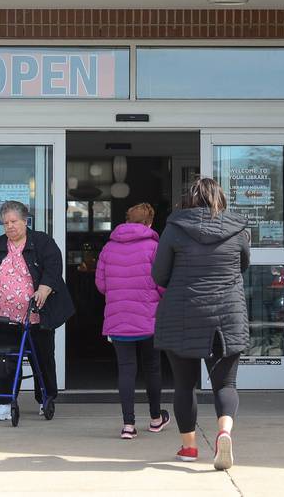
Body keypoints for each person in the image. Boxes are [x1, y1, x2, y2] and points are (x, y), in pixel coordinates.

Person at [152, 178, 250, 470]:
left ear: (189, 200)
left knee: (184, 385)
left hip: (183, 311)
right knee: (226, 383)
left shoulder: (175, 228)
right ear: (220, 198)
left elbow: (158, 275)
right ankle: (224, 431)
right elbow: (243, 265)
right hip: (227, 313)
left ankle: (190, 447)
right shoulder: (238, 229)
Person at [0, 200, 74, 422]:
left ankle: (46, 399)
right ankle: (5, 403)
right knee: (5, 361)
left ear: (25, 221)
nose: (10, 226)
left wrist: (44, 287)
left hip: (36, 314)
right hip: (4, 317)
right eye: (5, 223)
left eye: (14, 221)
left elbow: (54, 266)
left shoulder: (42, 242)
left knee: (42, 359)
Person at [95, 203, 170, 439]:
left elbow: (101, 285)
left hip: (118, 319)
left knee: (126, 370)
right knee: (152, 367)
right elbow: (162, 283)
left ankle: (128, 425)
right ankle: (156, 419)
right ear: (149, 222)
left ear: (127, 221)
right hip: (148, 318)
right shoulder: (154, 247)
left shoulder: (109, 248)